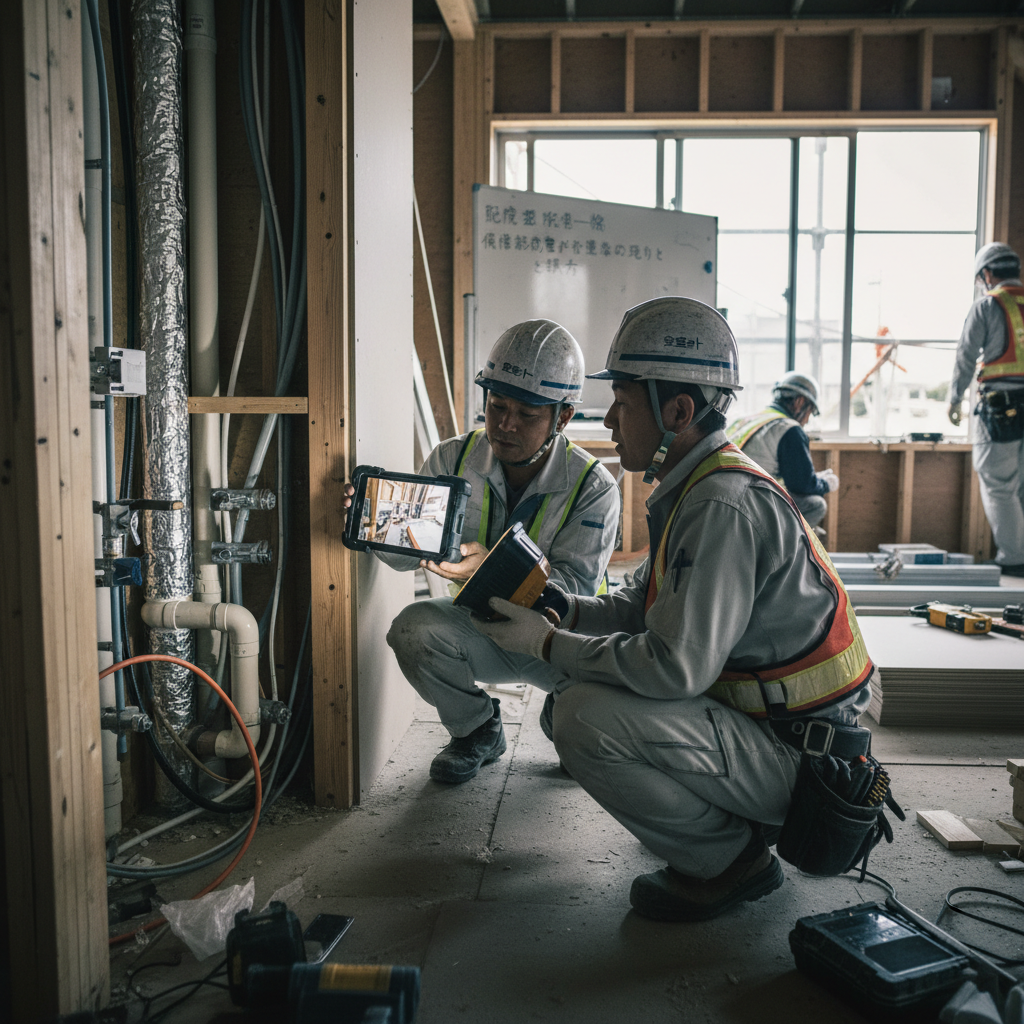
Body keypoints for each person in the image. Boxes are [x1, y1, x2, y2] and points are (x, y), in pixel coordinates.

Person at [472, 297, 875, 922]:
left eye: (624, 402)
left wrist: (548, 647)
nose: (609, 419)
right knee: (596, 701)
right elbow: (651, 602)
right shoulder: (700, 482)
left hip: (808, 765)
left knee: (581, 716)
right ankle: (728, 825)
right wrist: (568, 610)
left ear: (678, 410)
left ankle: (731, 863)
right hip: (786, 735)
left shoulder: (720, 504)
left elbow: (674, 667)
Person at [371, 320, 620, 784]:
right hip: (481, 626)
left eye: (526, 414)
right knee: (412, 629)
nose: (504, 424)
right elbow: (407, 557)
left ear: (562, 418)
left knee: (585, 746)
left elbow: (572, 593)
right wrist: (378, 525)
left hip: (561, 637)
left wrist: (493, 567)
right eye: (496, 405)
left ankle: (565, 714)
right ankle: (476, 729)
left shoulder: (593, 486)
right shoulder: (451, 459)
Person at [949, 242, 1024, 577]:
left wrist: (954, 398)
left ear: (987, 273)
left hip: (1001, 412)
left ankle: (1013, 561)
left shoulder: (989, 305)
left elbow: (966, 356)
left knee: (999, 485)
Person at [726, 371, 838, 532]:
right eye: (810, 412)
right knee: (816, 505)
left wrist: (813, 479)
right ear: (800, 402)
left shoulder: (746, 420)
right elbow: (801, 485)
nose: (807, 420)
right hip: (750, 505)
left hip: (725, 497)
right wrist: (826, 483)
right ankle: (787, 548)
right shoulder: (788, 429)